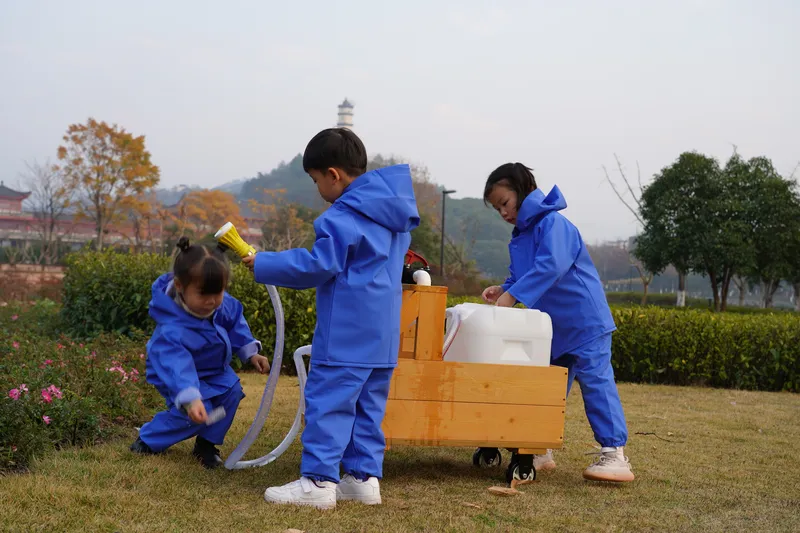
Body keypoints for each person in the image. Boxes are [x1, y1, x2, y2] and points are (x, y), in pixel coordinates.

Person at [242, 127, 420, 509]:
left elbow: (318, 265)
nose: (318, 188)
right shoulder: (394, 215)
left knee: (329, 402)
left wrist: (264, 262)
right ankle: (362, 479)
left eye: (316, 179)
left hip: (346, 333)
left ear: (334, 175)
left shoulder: (343, 216)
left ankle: (319, 483)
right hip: (383, 336)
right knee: (367, 409)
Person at [481, 162, 634, 483]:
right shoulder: (521, 235)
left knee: (596, 383)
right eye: (497, 209)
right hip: (550, 329)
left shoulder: (553, 224)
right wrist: (504, 289)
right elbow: (522, 274)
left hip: (585, 322)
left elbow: (551, 265)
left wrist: (514, 296)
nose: (503, 213)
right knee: (545, 388)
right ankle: (538, 449)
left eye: (505, 203)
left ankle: (614, 454)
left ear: (522, 191)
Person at [130, 237, 270, 469]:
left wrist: (250, 352)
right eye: (205, 295)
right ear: (180, 286)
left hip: (214, 369)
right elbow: (177, 363)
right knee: (195, 410)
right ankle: (150, 438)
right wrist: (190, 396)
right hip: (177, 373)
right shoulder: (172, 328)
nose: (213, 301)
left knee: (231, 394)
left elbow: (235, 322)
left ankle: (206, 444)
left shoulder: (218, 304)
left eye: (220, 292)